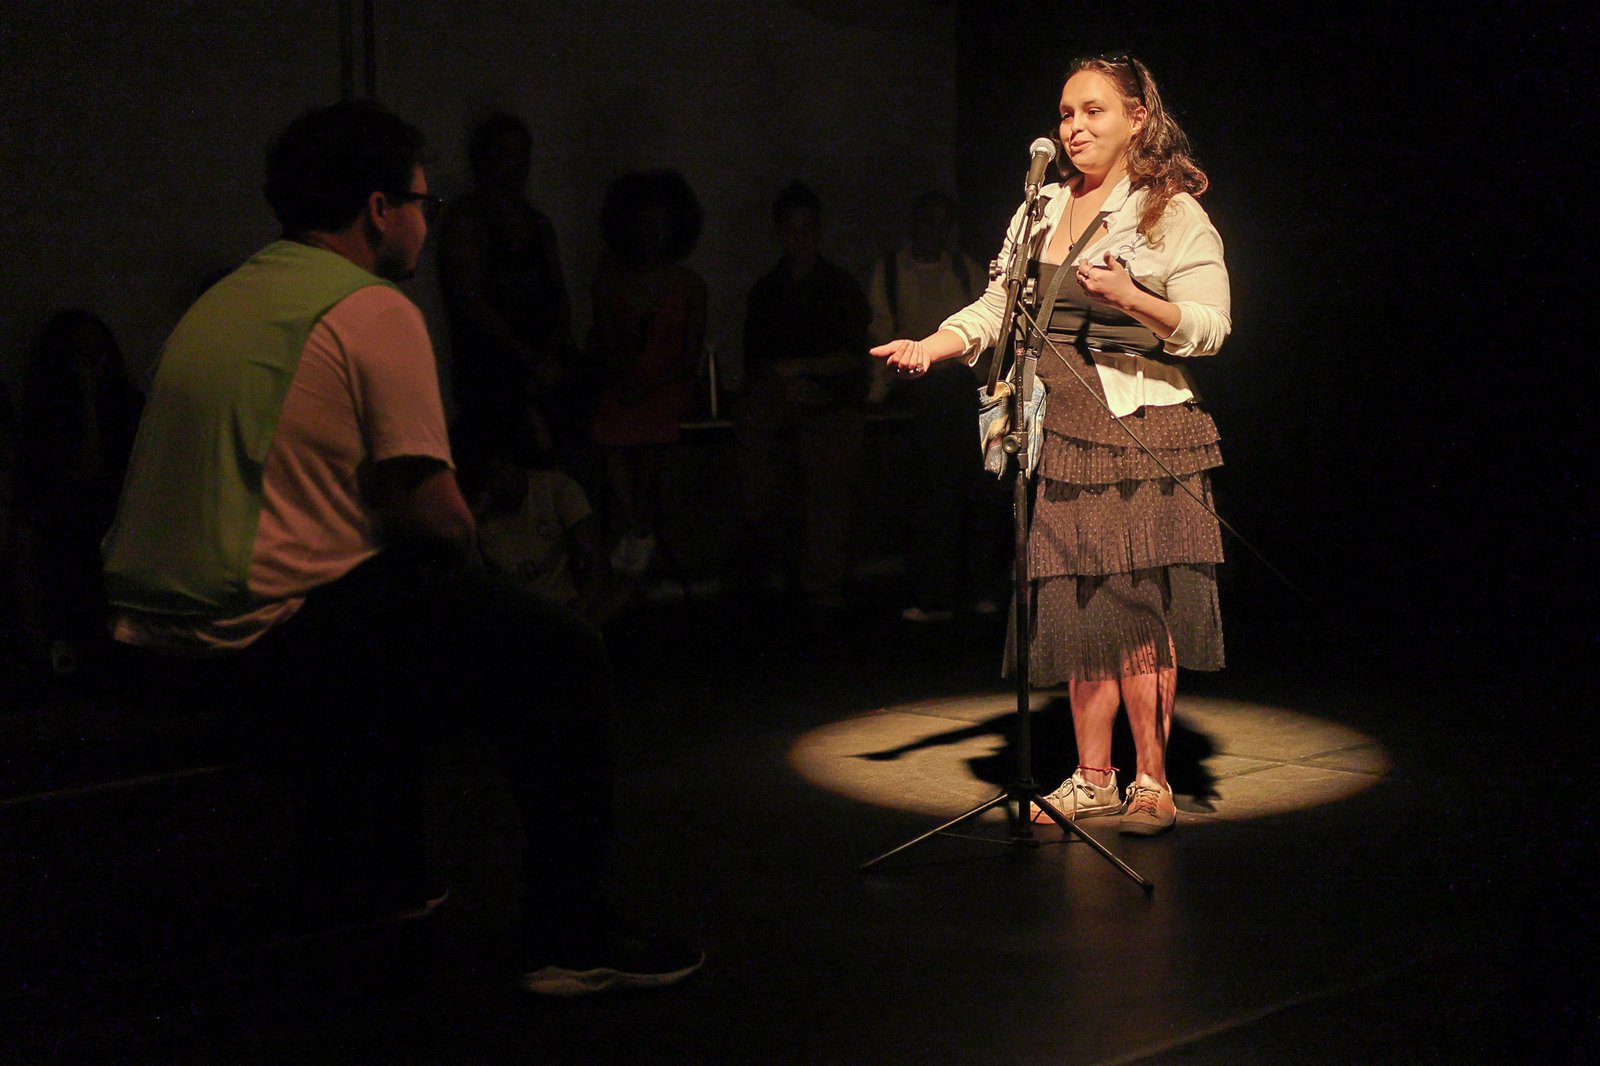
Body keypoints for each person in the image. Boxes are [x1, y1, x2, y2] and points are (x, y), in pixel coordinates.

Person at [100, 100, 701, 994]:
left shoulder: (228, 300)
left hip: (146, 633)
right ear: (380, 209)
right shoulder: (370, 309)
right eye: (423, 200)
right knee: (560, 650)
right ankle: (571, 934)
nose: (429, 219)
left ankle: (366, 878)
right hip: (254, 635)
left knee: (388, 598)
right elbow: (439, 516)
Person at [873, 55, 1230, 836]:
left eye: (1094, 110)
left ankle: (1152, 780)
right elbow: (997, 305)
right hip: (1058, 435)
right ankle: (1093, 777)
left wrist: (1132, 296)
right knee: (1075, 609)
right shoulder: (1041, 206)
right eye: (1066, 113)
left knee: (1138, 609)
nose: (1074, 127)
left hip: (1141, 431)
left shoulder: (1169, 212)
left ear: (1137, 117)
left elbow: (1210, 326)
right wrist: (932, 346)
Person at [735, 180, 872, 622]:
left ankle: (822, 584)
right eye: (793, 230)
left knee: (828, 481)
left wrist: (805, 372)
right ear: (780, 232)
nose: (801, 239)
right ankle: (763, 574)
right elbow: (757, 364)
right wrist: (787, 383)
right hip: (779, 402)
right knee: (758, 462)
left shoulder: (839, 287)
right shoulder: (767, 292)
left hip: (832, 403)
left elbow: (854, 357)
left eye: (808, 229)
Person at [865, 191, 1000, 623]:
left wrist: (988, 394)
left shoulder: (965, 270)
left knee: (974, 487)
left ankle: (976, 588)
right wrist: (876, 397)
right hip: (915, 392)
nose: (933, 231)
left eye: (942, 223)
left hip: (963, 394)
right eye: (928, 221)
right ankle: (935, 591)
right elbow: (882, 330)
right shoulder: (890, 271)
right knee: (932, 490)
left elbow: (988, 330)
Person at [436, 112, 578, 485]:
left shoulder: (537, 224)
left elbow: (558, 297)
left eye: (520, 154)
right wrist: (528, 358)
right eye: (504, 153)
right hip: (492, 369)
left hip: (543, 362)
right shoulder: (468, 220)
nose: (515, 164)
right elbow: (469, 300)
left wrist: (550, 353)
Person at [586, 169, 708, 579]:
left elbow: (689, 357)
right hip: (627, 386)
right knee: (608, 425)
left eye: (660, 224)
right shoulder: (610, 283)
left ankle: (638, 533)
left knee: (655, 430)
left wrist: (651, 385)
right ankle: (639, 530)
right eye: (644, 224)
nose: (652, 234)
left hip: (671, 386)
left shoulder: (691, 286)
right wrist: (628, 382)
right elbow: (606, 348)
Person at [11, 309, 143, 675]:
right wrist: (86, 398)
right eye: (78, 355)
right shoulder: (50, 416)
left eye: (95, 351)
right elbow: (79, 475)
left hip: (122, 520)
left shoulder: (129, 406)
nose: (89, 363)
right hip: (73, 522)